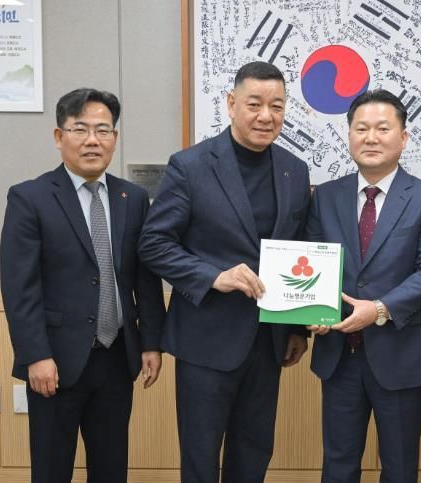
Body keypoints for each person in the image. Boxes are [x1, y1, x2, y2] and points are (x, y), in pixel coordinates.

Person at [137, 61, 310, 483]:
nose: (266, 115)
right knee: (200, 456)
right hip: (206, 340)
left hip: (268, 341)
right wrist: (213, 276)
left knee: (254, 452)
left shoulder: (295, 170)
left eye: (277, 106)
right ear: (231, 104)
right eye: (254, 104)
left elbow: (299, 249)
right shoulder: (191, 165)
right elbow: (153, 244)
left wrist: (297, 327)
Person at [0, 88, 166, 483]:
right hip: (55, 360)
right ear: (59, 137)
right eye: (80, 129)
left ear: (114, 138)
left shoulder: (133, 198)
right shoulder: (30, 197)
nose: (93, 140)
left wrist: (151, 342)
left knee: (111, 468)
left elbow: (145, 278)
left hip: (117, 356)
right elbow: (20, 287)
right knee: (51, 469)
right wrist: (36, 355)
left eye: (103, 130)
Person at [306, 89, 421, 483]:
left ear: (403, 138)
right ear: (349, 135)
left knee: (400, 466)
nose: (371, 137)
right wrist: (313, 310)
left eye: (383, 128)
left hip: (400, 355)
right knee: (338, 464)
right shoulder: (325, 197)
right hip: (339, 355)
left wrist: (379, 309)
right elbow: (313, 261)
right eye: (361, 128)